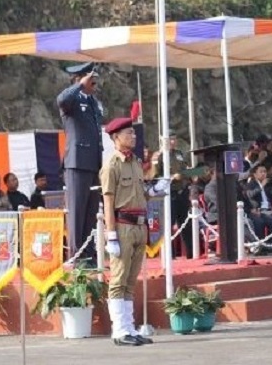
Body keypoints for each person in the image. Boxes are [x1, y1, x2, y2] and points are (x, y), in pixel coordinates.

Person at [101, 116, 170, 346]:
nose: (133, 136)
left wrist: (156, 189)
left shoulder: (135, 162)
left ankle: (129, 327)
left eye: (133, 132)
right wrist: (111, 235)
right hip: (122, 225)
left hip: (140, 225)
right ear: (115, 137)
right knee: (118, 279)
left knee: (131, 280)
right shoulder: (112, 165)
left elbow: (141, 193)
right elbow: (108, 202)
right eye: (128, 133)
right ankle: (119, 331)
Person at [57, 62, 105, 266]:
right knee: (77, 211)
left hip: (93, 162)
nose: (94, 82)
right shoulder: (72, 100)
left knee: (91, 211)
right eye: (90, 78)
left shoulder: (93, 102)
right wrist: (79, 86)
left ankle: (89, 254)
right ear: (80, 79)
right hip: (76, 162)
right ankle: (77, 256)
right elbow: (61, 100)